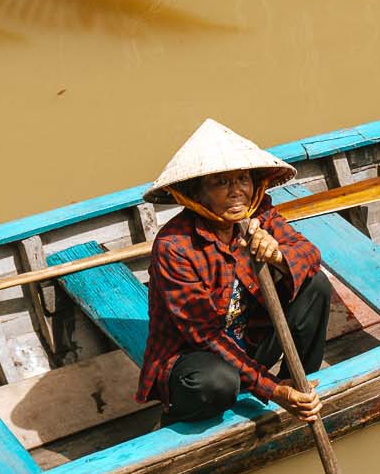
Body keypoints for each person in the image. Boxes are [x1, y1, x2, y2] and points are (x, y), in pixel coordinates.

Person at [138, 120, 332, 424]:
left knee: (316, 285)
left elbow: (309, 255)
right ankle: (182, 418)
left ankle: (304, 388)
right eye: (221, 183)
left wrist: (277, 255)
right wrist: (273, 389)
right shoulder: (174, 246)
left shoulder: (260, 215)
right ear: (197, 194)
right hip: (198, 362)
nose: (236, 192)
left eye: (242, 179)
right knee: (217, 382)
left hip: (251, 345)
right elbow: (205, 337)